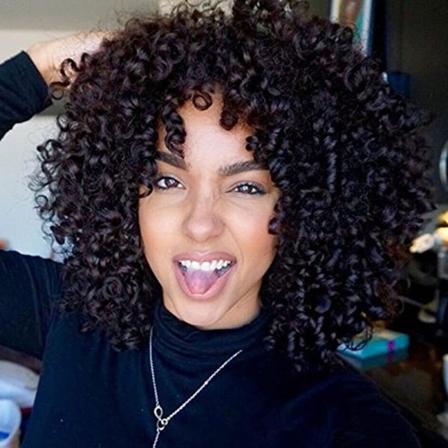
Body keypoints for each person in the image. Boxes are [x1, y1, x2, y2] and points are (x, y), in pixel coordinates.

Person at [0, 0, 436, 446]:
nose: (200, 224)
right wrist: (40, 69)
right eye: (168, 180)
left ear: (304, 212)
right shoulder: (71, 314)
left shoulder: (347, 426)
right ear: (126, 196)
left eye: (246, 187)